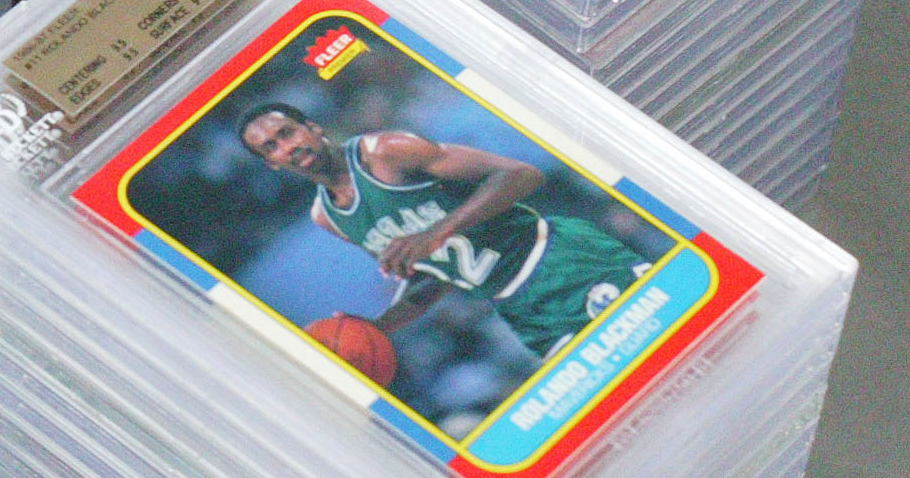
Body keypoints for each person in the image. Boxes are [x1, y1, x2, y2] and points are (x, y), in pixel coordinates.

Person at [233, 102, 655, 359]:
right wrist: (378, 328)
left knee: (664, 345)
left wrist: (438, 231)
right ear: (271, 165)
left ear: (313, 128)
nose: (288, 147)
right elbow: (434, 275)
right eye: (272, 147)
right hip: (520, 309)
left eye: (288, 132)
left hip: (558, 260)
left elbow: (521, 175)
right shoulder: (327, 218)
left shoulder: (386, 153)